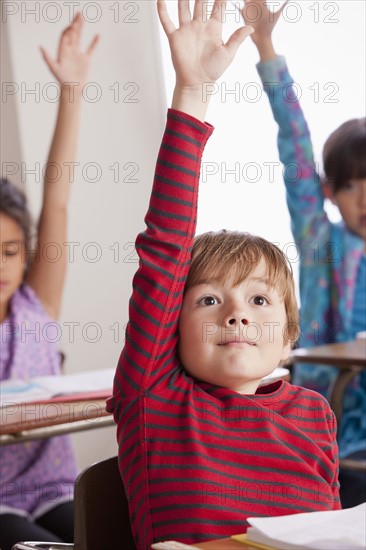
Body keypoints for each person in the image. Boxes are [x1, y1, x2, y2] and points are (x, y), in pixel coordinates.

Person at [107, 1, 340, 548]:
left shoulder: (313, 413)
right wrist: (193, 91)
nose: (237, 311)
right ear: (171, 328)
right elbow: (164, 252)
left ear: (287, 337)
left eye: (260, 301)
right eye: (209, 300)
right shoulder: (154, 395)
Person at [240, 0, 366, 508]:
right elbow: (295, 145)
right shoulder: (322, 242)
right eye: (353, 185)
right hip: (335, 434)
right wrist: (267, 48)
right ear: (331, 192)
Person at [0, 14, 99, 550]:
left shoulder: (38, 305)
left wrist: (72, 92)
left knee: (106, 534)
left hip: (54, 486)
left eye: (9, 251)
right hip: (0, 499)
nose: (0, 265)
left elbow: (55, 198)